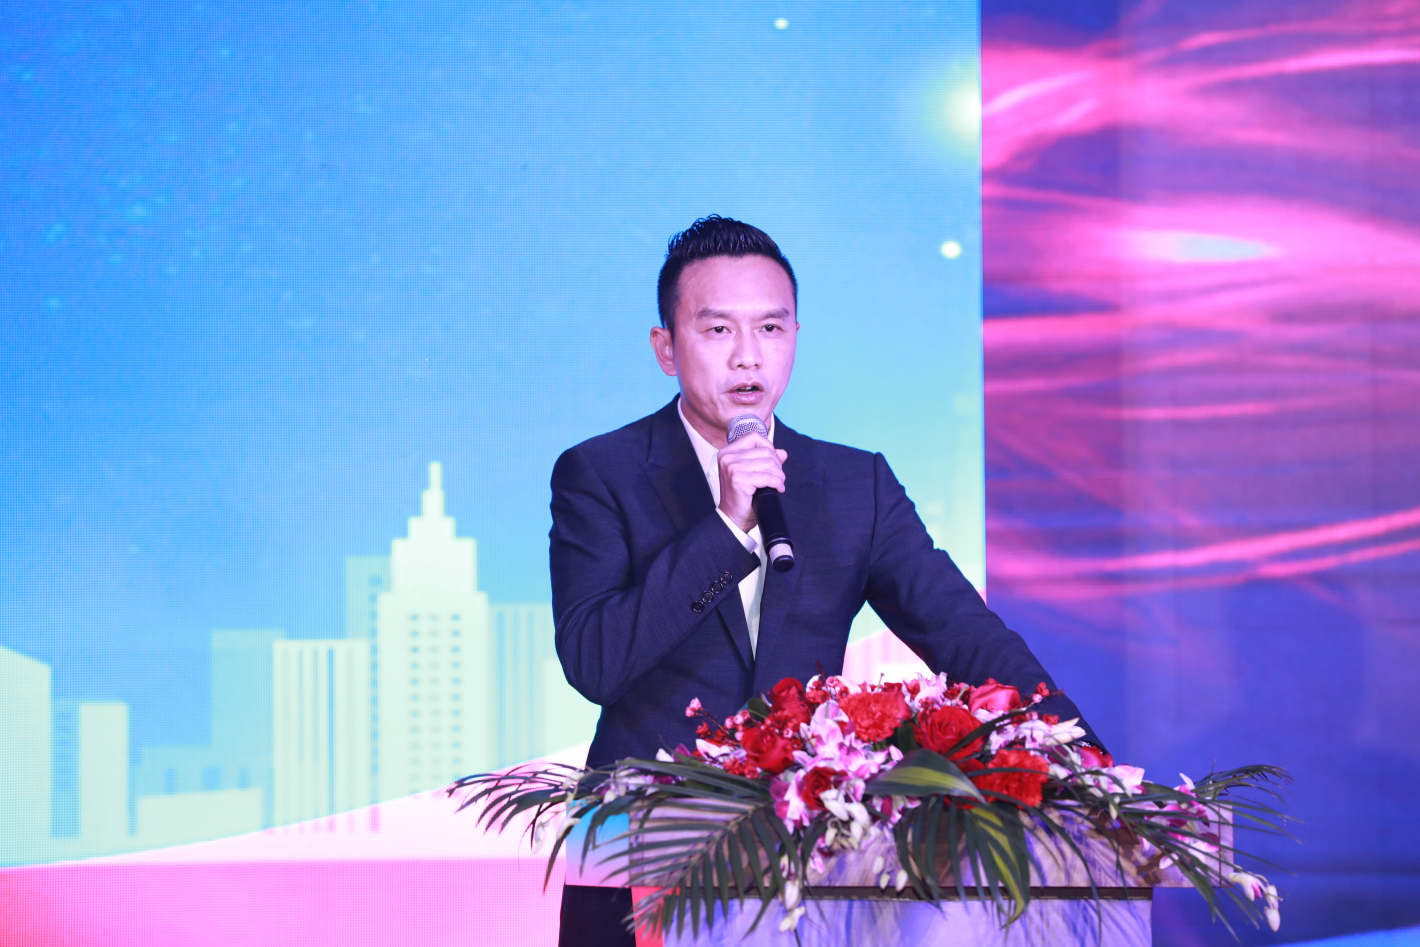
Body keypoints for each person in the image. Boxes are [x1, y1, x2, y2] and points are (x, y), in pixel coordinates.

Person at [549, 215, 1100, 947]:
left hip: (810, 863)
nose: (748, 355)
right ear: (666, 349)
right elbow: (595, 661)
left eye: (770, 328)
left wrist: (1085, 761)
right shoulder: (600, 474)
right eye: (718, 330)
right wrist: (726, 526)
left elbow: (964, 633)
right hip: (643, 853)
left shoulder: (852, 485)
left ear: (795, 338)